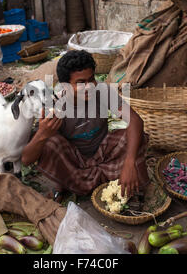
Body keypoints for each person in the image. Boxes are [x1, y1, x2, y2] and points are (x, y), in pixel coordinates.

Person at [21, 50, 150, 201]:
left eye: (91, 79)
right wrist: (43, 133)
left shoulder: (102, 92)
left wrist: (129, 163)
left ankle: (99, 180)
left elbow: (135, 120)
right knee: (50, 142)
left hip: (103, 154)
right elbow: (26, 160)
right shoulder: (55, 106)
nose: (89, 86)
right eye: (81, 83)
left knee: (132, 136)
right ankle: (69, 184)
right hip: (75, 163)